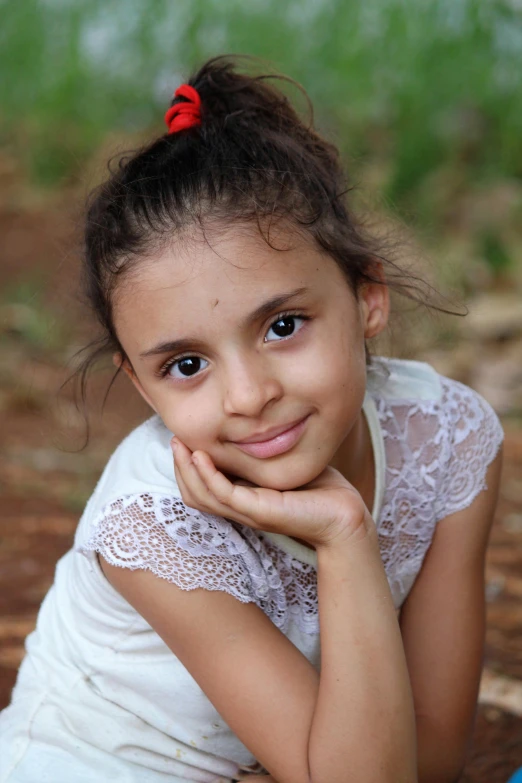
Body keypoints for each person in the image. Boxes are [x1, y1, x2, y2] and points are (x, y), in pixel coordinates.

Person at [0, 56, 504, 783]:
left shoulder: (446, 440)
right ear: (142, 387)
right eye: (185, 365)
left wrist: (346, 533)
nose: (247, 396)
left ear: (368, 297)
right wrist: (344, 534)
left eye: (283, 325)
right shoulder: (152, 524)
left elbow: (430, 754)